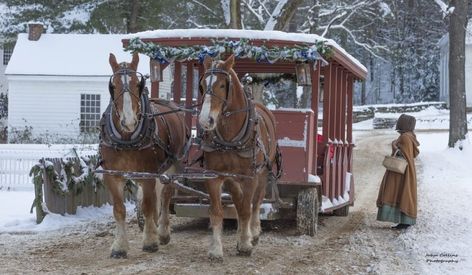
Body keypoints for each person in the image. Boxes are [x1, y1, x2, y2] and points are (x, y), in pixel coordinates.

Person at [376, 114, 420, 229]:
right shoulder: (410, 136)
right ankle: (404, 221)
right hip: (406, 171)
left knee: (399, 192)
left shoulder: (405, 137)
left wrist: (394, 146)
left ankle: (404, 221)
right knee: (403, 193)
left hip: (402, 172)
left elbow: (404, 154)